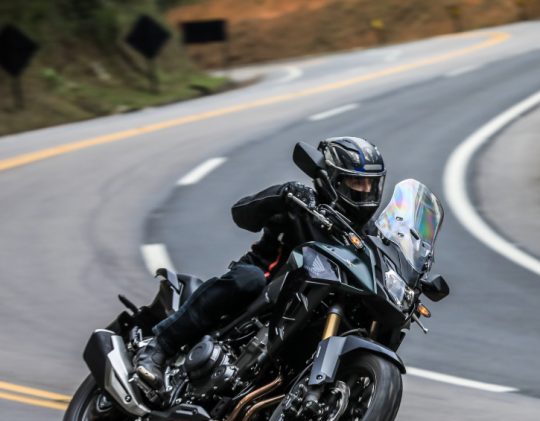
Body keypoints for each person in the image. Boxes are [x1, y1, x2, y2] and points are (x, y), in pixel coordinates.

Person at [134, 136, 387, 390]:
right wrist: (282, 195)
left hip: (312, 308)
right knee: (249, 279)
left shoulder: (367, 236)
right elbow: (241, 213)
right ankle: (159, 348)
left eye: (371, 184)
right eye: (357, 182)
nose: (366, 190)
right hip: (267, 286)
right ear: (333, 179)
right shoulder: (302, 203)